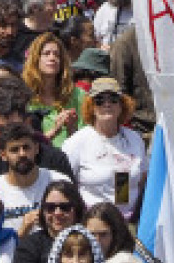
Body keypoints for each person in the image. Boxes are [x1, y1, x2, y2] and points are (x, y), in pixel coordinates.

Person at [62, 76, 145, 221]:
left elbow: (142, 181)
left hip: (130, 221)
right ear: (91, 107)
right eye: (99, 100)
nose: (107, 104)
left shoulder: (135, 139)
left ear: (122, 105)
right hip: (92, 222)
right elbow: (66, 188)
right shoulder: (75, 143)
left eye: (113, 99)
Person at [10, 178, 86, 263]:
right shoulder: (29, 246)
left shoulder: (89, 241)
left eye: (65, 208)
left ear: (77, 209)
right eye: (50, 207)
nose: (57, 213)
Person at [23, 32, 84, 147]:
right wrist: (55, 130)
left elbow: (84, 143)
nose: (52, 58)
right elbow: (24, 146)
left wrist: (71, 128)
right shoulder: (23, 97)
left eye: (57, 54)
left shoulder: (78, 95)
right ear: (36, 59)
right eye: (46, 54)